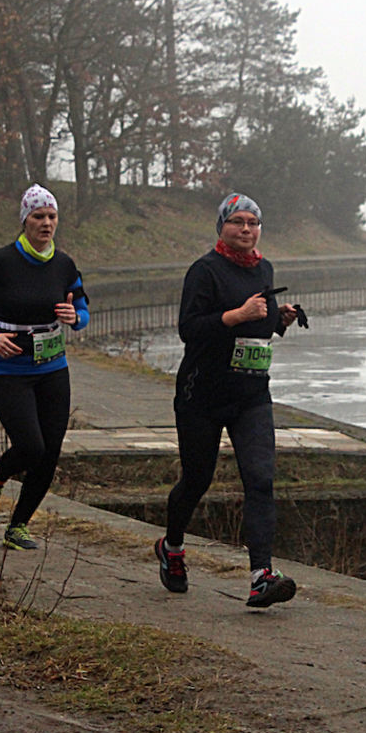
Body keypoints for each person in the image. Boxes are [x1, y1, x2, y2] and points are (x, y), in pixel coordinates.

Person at [155, 193, 302, 609]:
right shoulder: (205, 271)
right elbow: (189, 328)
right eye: (237, 222)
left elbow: (262, 327)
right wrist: (235, 316)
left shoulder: (264, 268)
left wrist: (281, 319)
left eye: (253, 223)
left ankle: (261, 576)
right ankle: (173, 547)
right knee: (197, 480)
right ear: (222, 226)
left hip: (251, 394)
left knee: (260, 479)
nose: (246, 230)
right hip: (201, 392)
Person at [0, 185, 89, 551]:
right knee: (30, 446)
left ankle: (18, 526)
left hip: (52, 368)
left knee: (50, 452)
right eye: (38, 217)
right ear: (24, 221)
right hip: (8, 368)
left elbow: (82, 310)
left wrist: (74, 317)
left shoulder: (64, 264)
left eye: (51, 217)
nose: (46, 223)